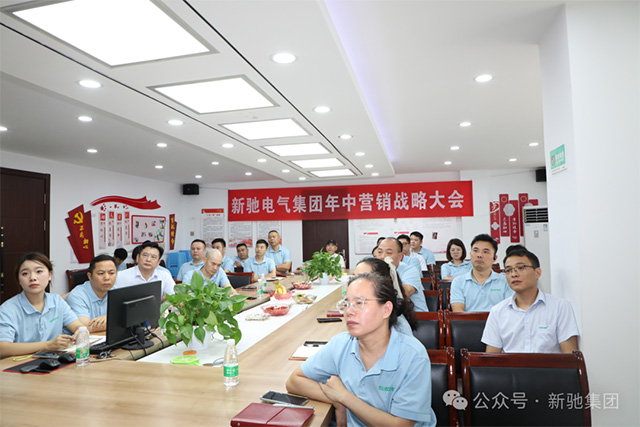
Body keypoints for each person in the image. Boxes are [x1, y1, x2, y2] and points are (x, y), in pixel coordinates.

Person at [286, 274, 436, 427]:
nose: (349, 312)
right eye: (346, 303)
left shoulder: (413, 355)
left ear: (386, 309)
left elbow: (401, 425)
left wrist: (345, 397)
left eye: (359, 303)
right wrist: (336, 400)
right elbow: (294, 381)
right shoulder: (341, 344)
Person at [482, 246, 580, 353]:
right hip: (511, 365)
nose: (514, 274)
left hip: (548, 365)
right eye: (509, 270)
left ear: (537, 272)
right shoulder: (497, 311)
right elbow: (491, 358)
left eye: (521, 268)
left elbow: (569, 356)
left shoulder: (560, 307)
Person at [0, 252, 83, 358]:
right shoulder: (8, 309)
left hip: (53, 361)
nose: (32, 278)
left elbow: (78, 326)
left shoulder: (57, 301)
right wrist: (47, 345)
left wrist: (80, 332)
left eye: (39, 271)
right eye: (25, 273)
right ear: (19, 280)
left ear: (50, 275)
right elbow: (2, 348)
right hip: (21, 363)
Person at [450, 234, 513, 312]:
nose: (479, 255)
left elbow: (509, 311)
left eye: (485, 252)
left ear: (494, 258)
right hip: (468, 320)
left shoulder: (505, 281)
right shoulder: (458, 282)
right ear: (470, 254)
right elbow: (458, 313)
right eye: (475, 251)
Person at [354, 257, 418, 335]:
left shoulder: (396, 325)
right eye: (354, 277)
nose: (354, 283)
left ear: (382, 282)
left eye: (361, 278)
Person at [65, 254, 117, 332]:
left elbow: (129, 317)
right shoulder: (77, 296)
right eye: (101, 273)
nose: (107, 278)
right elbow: (84, 327)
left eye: (111, 273)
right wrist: (112, 319)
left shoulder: (115, 291)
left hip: (104, 336)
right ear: (90, 276)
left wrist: (109, 319)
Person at [376, 238, 428, 312]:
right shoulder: (374, 271)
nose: (382, 256)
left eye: (388, 253)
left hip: (414, 315)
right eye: (379, 252)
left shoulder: (410, 270)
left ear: (400, 256)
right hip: (386, 314)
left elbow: (404, 294)